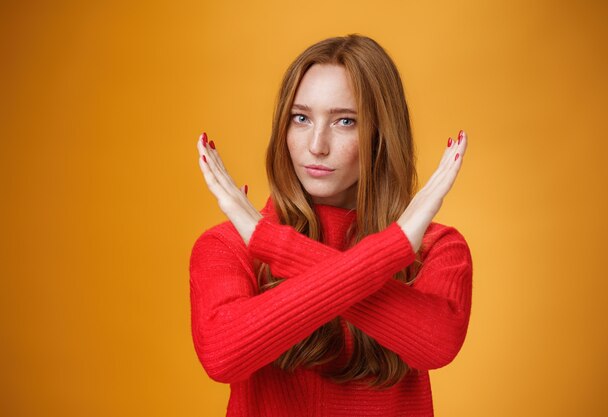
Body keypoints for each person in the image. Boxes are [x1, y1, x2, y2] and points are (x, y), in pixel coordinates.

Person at [190, 34, 472, 417]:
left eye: (345, 121)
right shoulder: (227, 245)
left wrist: (273, 243)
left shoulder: (437, 248)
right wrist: (392, 248)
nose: (316, 145)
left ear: (381, 136)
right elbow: (223, 356)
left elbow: (435, 345)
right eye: (301, 118)